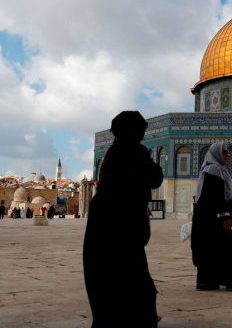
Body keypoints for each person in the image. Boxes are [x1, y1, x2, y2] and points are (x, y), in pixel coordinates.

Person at [83, 110, 163, 327]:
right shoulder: (134, 151)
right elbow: (155, 177)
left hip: (105, 218)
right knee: (131, 275)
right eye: (140, 130)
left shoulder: (113, 152)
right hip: (122, 221)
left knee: (108, 274)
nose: (143, 134)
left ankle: (112, 318)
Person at [191, 141, 232, 292]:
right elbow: (216, 198)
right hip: (213, 218)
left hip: (208, 218)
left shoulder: (215, 169)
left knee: (211, 249)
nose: (227, 155)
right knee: (227, 249)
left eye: (227, 152)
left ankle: (207, 282)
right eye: (224, 152)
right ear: (216, 153)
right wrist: (226, 216)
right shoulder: (214, 170)